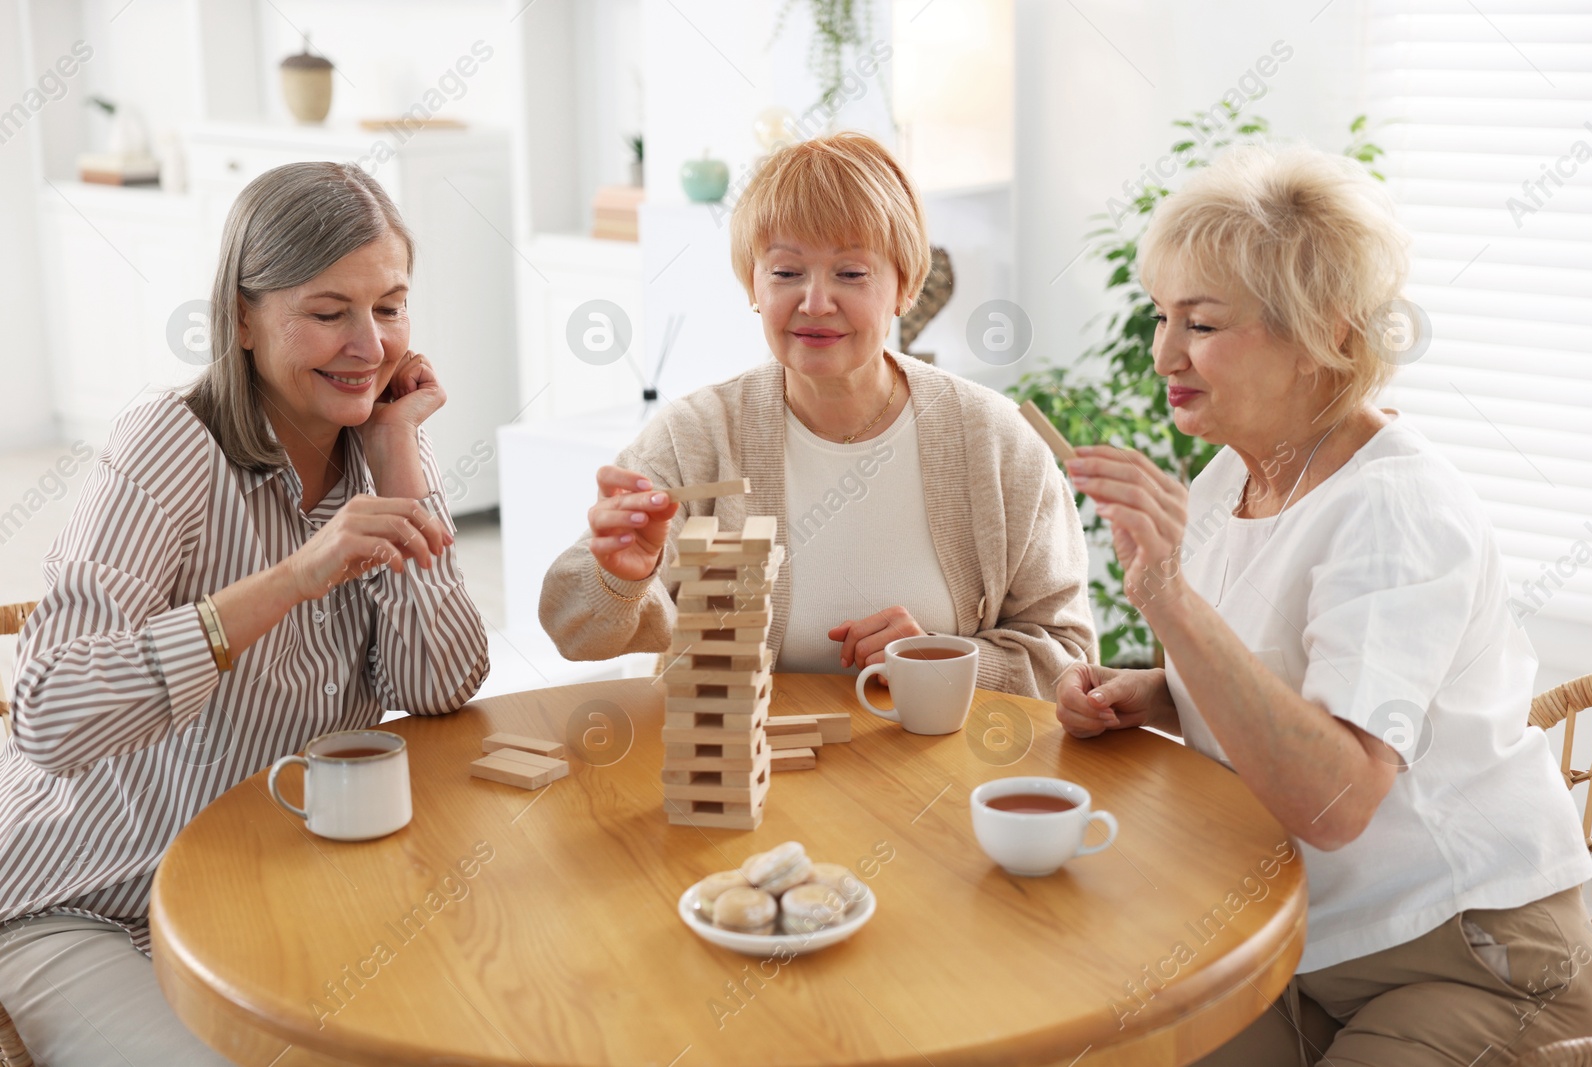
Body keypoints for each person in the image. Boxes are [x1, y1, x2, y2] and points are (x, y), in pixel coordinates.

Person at [1057, 144, 1592, 1065]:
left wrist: (1166, 596)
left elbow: (1337, 798)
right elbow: (1279, 676)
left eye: (1202, 324)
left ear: (1330, 337)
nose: (1163, 353)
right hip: (1298, 928)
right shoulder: (1240, 468)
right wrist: (1158, 691)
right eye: (1161, 316)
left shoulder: (1395, 509)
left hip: (1462, 948)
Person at [0, 162, 489, 1066]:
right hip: (88, 896)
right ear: (241, 318)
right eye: (328, 309)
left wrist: (397, 453)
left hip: (265, 890)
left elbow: (440, 683)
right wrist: (293, 577)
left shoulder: (374, 450)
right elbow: (47, 712)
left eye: (389, 306)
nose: (369, 345)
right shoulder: (167, 442)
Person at [541, 132, 1094, 698]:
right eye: (785, 273)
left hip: (939, 772)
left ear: (904, 285)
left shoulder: (995, 439)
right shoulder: (693, 437)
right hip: (744, 780)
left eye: (851, 274)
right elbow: (574, 631)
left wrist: (945, 659)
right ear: (752, 284)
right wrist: (622, 577)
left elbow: (1069, 657)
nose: (815, 303)